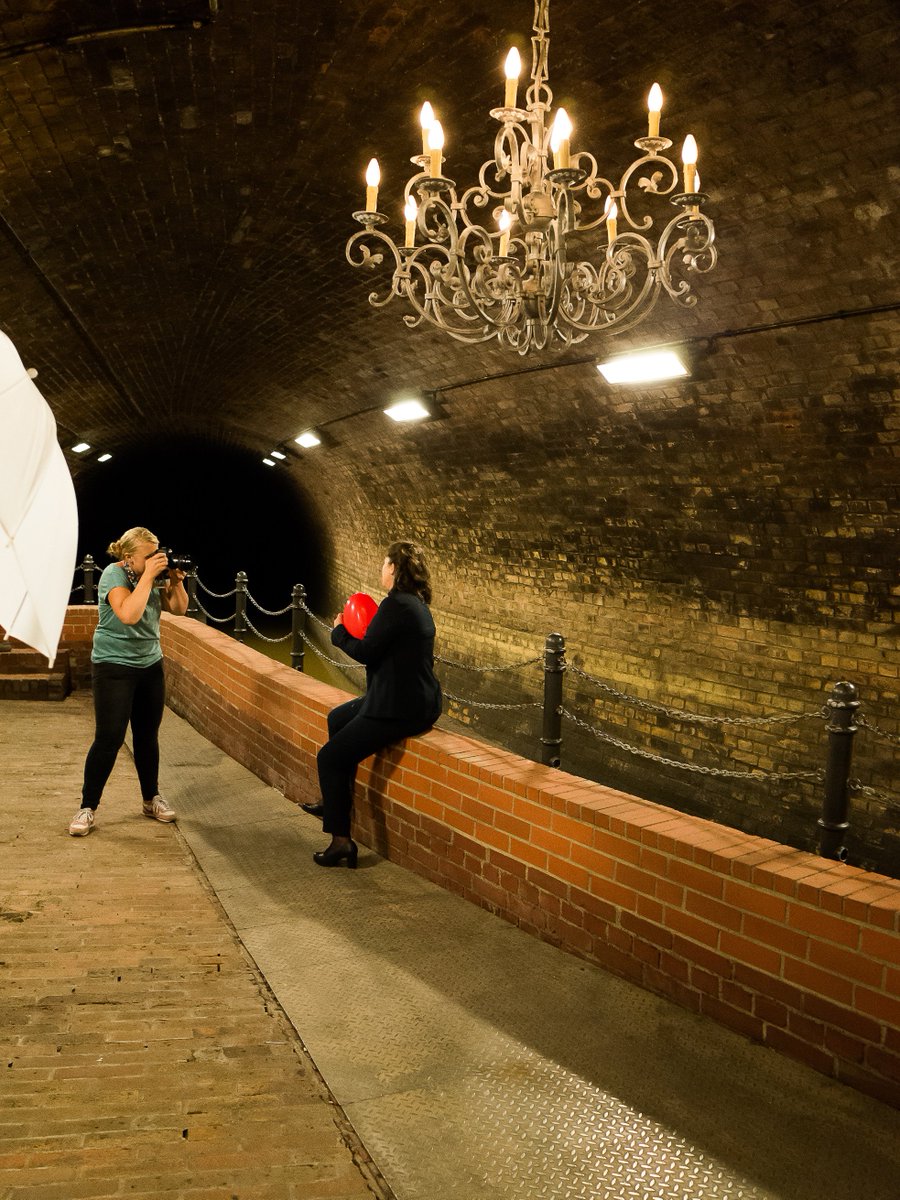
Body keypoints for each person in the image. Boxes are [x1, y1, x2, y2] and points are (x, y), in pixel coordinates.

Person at [305, 541, 442, 868]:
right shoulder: (415, 603)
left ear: (393, 568)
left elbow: (366, 652)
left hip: (398, 708)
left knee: (329, 758)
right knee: (337, 718)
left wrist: (338, 632)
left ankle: (341, 842)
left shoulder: (395, 606)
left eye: (384, 564)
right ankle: (334, 801)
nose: (381, 569)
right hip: (415, 698)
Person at [68, 527, 188, 836]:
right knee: (109, 737)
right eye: (149, 556)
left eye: (157, 553)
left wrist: (175, 581)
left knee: (147, 736)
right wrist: (149, 578)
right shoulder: (114, 575)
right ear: (129, 557)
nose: (155, 559)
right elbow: (129, 615)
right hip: (113, 666)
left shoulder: (152, 575)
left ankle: (151, 799)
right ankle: (87, 807)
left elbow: (179, 609)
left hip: (150, 663)